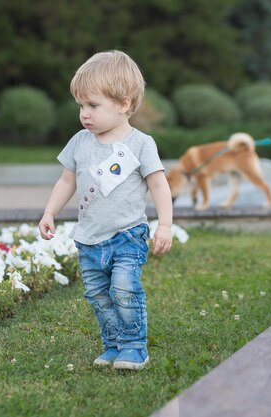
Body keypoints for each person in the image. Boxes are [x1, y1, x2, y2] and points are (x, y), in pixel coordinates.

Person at [38, 50, 173, 370]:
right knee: (99, 295)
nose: (84, 113)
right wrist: (49, 212)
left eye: (93, 105)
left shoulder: (141, 144)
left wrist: (164, 225)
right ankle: (113, 344)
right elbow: (66, 181)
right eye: (81, 106)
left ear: (123, 104)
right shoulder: (80, 142)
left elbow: (159, 185)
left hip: (127, 234)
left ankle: (134, 346)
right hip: (89, 238)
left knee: (123, 289)